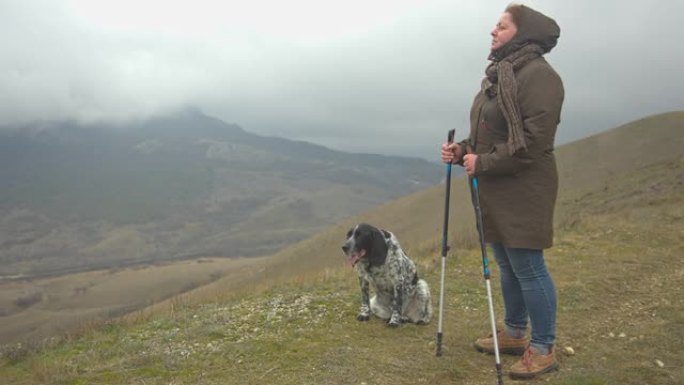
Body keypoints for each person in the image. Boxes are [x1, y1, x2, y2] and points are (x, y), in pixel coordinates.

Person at [440, 4, 564, 380]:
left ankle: (543, 347)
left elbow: (532, 142)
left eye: (502, 26)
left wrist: (484, 163)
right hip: (494, 188)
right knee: (508, 265)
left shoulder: (539, 77)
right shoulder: (500, 75)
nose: (492, 32)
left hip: (524, 189)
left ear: (523, 34)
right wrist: (462, 149)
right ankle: (514, 331)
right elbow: (488, 134)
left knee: (528, 267)